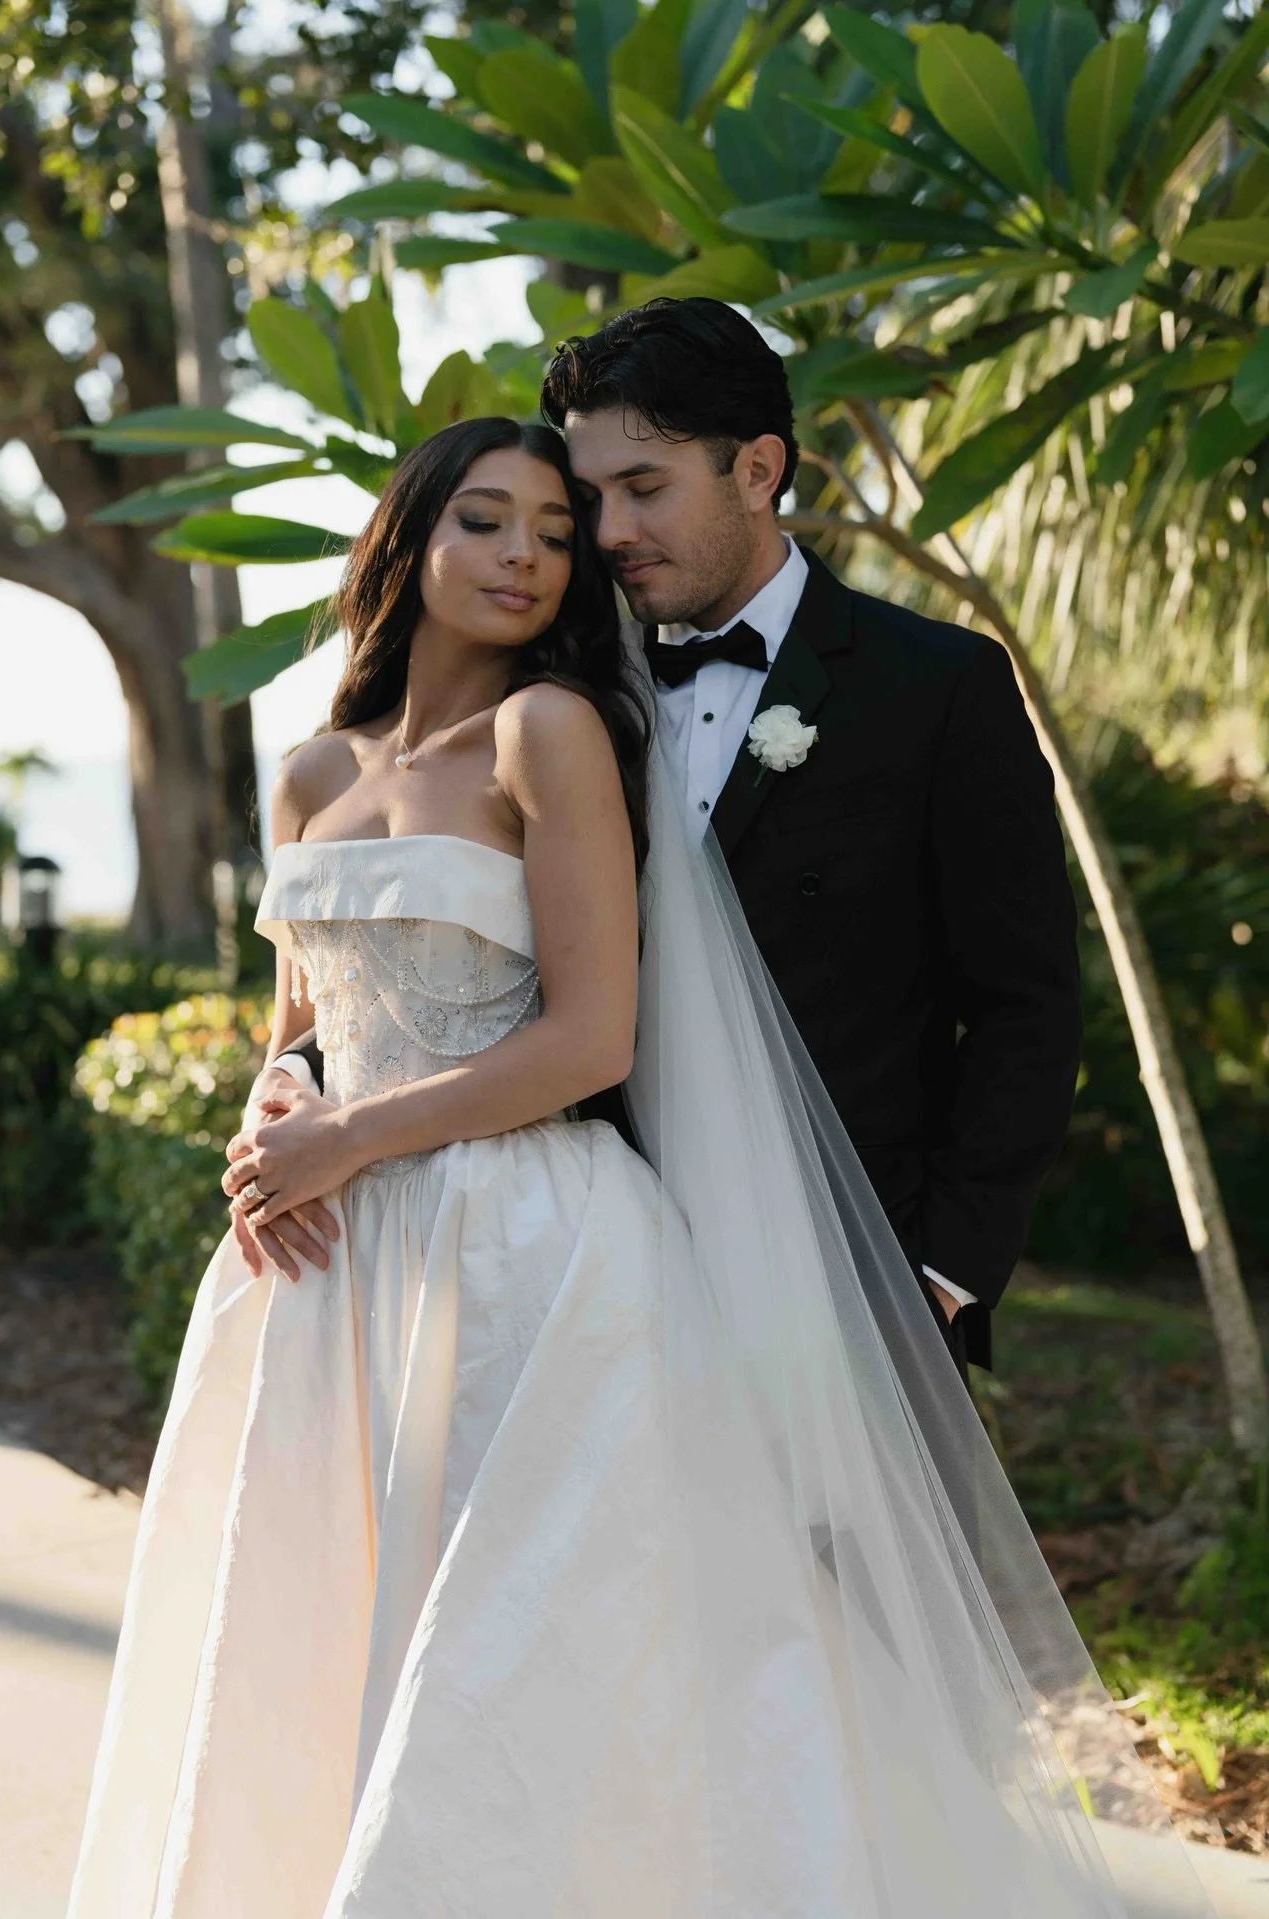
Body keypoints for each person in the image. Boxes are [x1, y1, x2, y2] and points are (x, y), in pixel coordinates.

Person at [67, 416, 1200, 1919]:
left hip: (523, 1248)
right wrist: (280, 1096)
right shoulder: (306, 770)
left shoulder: (551, 733)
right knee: (329, 1632)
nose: (529, 553)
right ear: (409, 541)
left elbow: (592, 1037)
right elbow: (309, 1016)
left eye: (554, 529)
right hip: (332, 1281)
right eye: (486, 519)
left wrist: (345, 1134)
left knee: (516, 1652)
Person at [541, 296, 1083, 1380]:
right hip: (593, 1277)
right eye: (589, 497)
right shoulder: (562, 702)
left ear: (757, 468)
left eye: (645, 488)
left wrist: (939, 1274)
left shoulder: (937, 686)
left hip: (849, 1290)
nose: (608, 534)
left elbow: (1028, 1006)